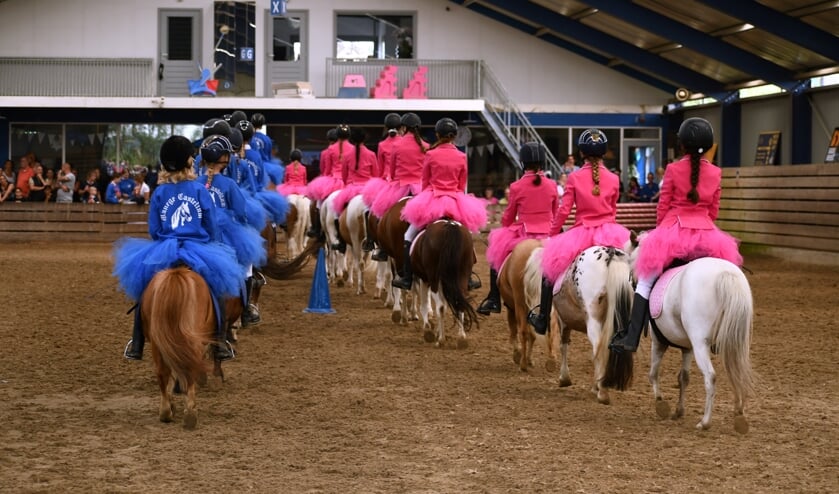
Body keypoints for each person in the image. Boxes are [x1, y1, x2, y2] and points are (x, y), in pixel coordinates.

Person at [609, 118, 743, 353]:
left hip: (674, 230)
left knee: (646, 280)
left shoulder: (672, 169)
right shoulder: (716, 172)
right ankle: (721, 334)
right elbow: (713, 210)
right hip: (708, 235)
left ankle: (631, 338)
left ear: (682, 145)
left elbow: (663, 206)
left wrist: (661, 234)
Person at [114, 135, 243, 361]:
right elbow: (211, 225)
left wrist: (166, 240)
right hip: (198, 249)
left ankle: (137, 342)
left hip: (165, 249)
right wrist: (213, 243)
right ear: (188, 162)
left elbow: (154, 229)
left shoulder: (159, 192)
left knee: (145, 288)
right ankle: (220, 341)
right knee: (216, 287)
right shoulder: (199, 189)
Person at [528, 129, 630, 334]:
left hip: (581, 232)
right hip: (611, 232)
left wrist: (553, 233)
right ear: (604, 152)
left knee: (549, 270)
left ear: (582, 152)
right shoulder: (614, 178)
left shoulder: (573, 178)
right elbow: (612, 209)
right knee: (629, 273)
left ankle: (542, 319)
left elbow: (564, 210)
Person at [392, 118, 488, 289]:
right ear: (454, 136)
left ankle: (407, 278)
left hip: (432, 197)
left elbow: (426, 182)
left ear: (437, 134)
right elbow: (461, 184)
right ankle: (470, 276)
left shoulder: (430, 154)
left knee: (408, 235)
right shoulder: (461, 156)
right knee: (467, 234)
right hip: (455, 200)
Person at [477, 142, 559, 315]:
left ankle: (493, 298)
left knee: (495, 255)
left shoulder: (516, 186)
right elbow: (555, 213)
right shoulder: (552, 185)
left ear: (523, 163)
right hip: (548, 233)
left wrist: (506, 227)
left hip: (524, 234)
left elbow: (508, 217)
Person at [197, 135, 267, 329]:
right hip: (226, 233)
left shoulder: (195, 182)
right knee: (246, 267)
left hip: (200, 233)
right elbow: (241, 212)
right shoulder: (229, 185)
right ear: (225, 159)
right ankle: (245, 310)